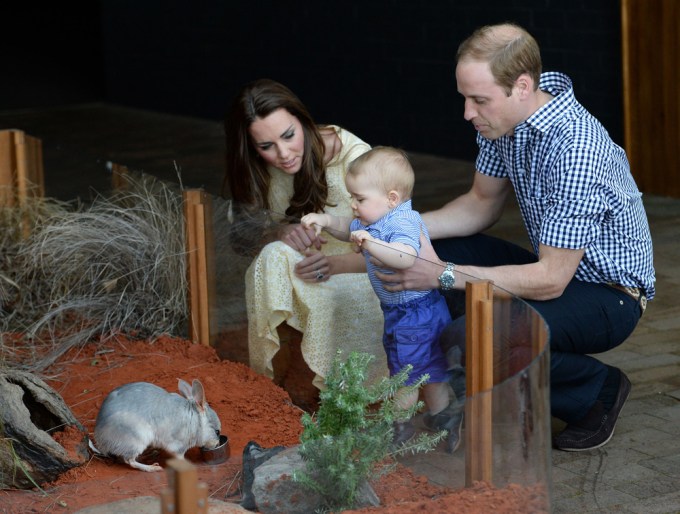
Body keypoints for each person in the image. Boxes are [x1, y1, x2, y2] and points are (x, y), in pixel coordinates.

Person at [376, 23, 655, 452]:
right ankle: (472, 381)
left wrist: (440, 274)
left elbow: (551, 279)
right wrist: (393, 232)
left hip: (608, 295)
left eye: (479, 100)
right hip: (555, 268)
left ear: (521, 86)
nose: (468, 112)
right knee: (430, 248)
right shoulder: (503, 123)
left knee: (478, 332)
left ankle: (595, 388)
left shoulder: (576, 148)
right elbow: (479, 205)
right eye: (465, 98)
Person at [221, 78, 387, 400]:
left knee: (279, 260)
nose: (283, 154)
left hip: (361, 271)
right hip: (306, 273)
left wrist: (334, 264)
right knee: (271, 257)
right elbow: (241, 238)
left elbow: (392, 245)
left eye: (288, 136)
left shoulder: (354, 156)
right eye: (266, 146)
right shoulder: (257, 168)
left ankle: (345, 395)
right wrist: (277, 231)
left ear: (302, 120)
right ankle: (274, 390)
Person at [302, 147, 463, 451]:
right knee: (428, 367)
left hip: (414, 313)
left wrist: (372, 244)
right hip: (408, 312)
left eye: (359, 199)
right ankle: (445, 418)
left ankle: (398, 426)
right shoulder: (372, 219)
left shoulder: (401, 222)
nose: (352, 205)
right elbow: (345, 228)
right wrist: (324, 220)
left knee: (406, 374)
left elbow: (404, 257)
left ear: (391, 198)